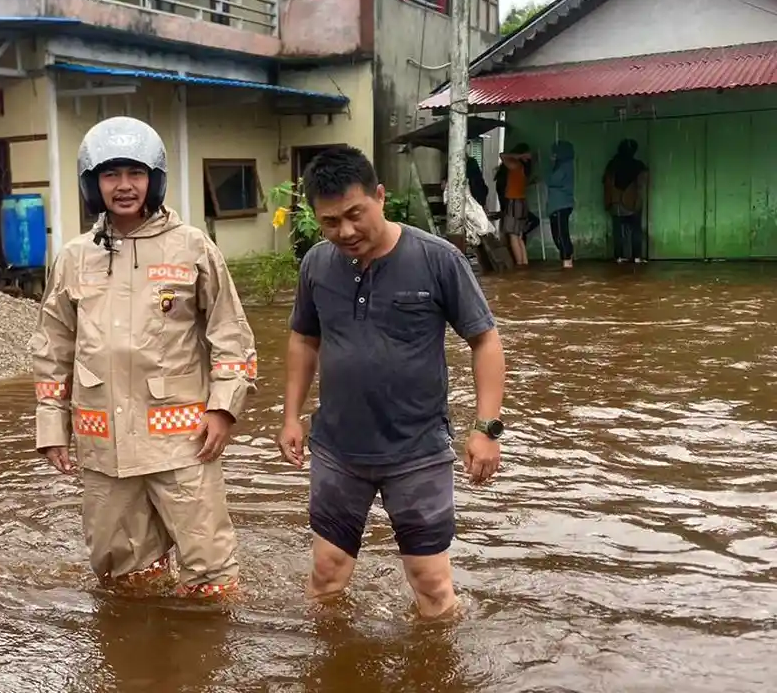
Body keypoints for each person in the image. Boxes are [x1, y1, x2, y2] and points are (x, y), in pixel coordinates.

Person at [31, 116, 258, 599]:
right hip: (102, 442)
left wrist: (223, 409)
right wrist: (52, 426)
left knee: (209, 575)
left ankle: (203, 669)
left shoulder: (192, 246)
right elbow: (53, 349)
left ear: (154, 178)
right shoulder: (73, 257)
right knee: (123, 580)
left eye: (135, 173)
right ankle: (140, 670)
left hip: (182, 441)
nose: (124, 186)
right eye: (111, 175)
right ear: (93, 184)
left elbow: (231, 336)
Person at [277, 146, 506, 618]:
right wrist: (291, 416)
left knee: (432, 586)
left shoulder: (437, 259)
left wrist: (486, 429)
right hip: (338, 449)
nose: (345, 232)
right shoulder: (317, 265)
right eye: (329, 222)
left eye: (355, 214)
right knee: (326, 575)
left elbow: (485, 341)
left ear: (381, 197)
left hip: (417, 451)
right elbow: (304, 339)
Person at [603, 139, 649, 263]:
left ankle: (618, 256)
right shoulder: (637, 165)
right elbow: (643, 181)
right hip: (631, 202)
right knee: (636, 230)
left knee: (618, 231)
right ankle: (637, 257)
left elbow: (606, 182)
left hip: (615, 203)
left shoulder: (612, 164)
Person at [496, 143, 533, 266]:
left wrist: (519, 156)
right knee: (519, 236)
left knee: (513, 235)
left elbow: (502, 156)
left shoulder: (516, 165)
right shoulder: (525, 167)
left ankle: (519, 265)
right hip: (522, 202)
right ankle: (524, 264)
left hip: (514, 202)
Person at [546, 140, 577, 269]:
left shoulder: (564, 166)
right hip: (559, 205)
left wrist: (549, 165)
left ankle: (567, 260)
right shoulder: (565, 165)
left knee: (560, 234)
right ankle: (567, 259)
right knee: (559, 234)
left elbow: (552, 180)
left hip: (560, 205)